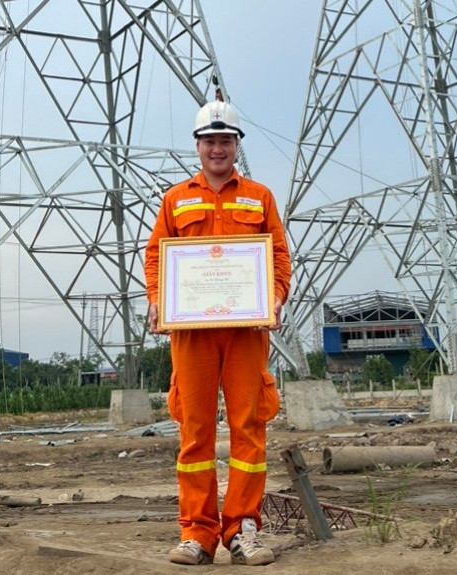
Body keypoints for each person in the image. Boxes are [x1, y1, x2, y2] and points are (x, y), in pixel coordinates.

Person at [144, 100, 291, 566]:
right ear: (198, 146)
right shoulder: (175, 199)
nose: (217, 148)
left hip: (247, 330)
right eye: (210, 140)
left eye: (226, 140)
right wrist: (156, 297)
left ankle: (244, 529)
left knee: (249, 426)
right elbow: (155, 258)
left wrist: (276, 298)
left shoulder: (260, 197)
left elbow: (279, 258)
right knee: (195, 429)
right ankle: (198, 534)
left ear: (236, 146)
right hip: (193, 335)